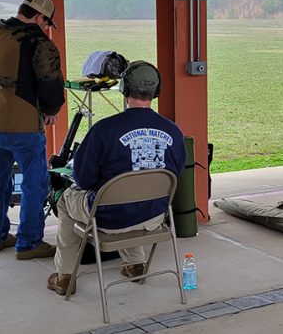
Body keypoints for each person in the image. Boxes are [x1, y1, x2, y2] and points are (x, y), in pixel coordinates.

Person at [47, 60, 186, 295]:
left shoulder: (103, 130)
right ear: (156, 91)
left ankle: (65, 277)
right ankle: (135, 265)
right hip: (153, 216)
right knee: (135, 197)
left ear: (123, 89)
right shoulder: (173, 130)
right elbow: (175, 171)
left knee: (65, 198)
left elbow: (83, 179)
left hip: (109, 220)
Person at [0, 0, 65, 259]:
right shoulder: (39, 41)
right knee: (35, 181)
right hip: (22, 120)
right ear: (39, 17)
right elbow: (50, 81)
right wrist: (50, 110)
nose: (47, 28)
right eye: (47, 22)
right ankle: (29, 242)